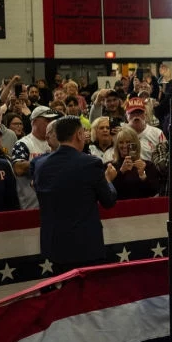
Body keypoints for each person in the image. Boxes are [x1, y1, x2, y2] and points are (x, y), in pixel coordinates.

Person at [32, 116, 117, 270]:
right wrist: (108, 180)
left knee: (63, 291)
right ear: (78, 135)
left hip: (53, 245)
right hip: (84, 245)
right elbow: (108, 201)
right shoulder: (91, 163)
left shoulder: (39, 165)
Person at [10, 105, 59, 210]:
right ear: (34, 121)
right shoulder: (23, 143)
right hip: (31, 205)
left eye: (52, 120)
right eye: (47, 120)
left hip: (54, 204)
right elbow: (18, 168)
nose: (51, 123)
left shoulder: (57, 142)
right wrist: (50, 161)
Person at [110, 127, 161, 199]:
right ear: (117, 146)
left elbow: (154, 191)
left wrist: (143, 175)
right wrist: (121, 172)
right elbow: (108, 192)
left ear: (135, 144)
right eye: (121, 142)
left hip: (142, 208)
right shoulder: (110, 166)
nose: (124, 146)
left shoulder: (148, 165)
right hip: (119, 208)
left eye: (128, 142)